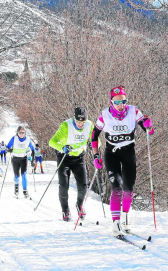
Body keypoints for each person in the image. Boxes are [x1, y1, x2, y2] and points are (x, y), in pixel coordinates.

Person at [91, 86, 154, 236]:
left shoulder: (134, 111)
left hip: (128, 153)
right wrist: (95, 156)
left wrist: (149, 125)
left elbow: (148, 132)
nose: (121, 105)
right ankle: (115, 223)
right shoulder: (104, 115)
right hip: (111, 154)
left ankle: (125, 216)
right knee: (117, 188)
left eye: (124, 101)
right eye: (117, 102)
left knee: (128, 189)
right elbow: (94, 136)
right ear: (111, 101)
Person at [49, 107, 95, 222]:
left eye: (82, 122)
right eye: (78, 122)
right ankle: (65, 209)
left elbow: (96, 140)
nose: (80, 124)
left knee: (83, 186)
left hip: (79, 157)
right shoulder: (66, 125)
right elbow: (52, 142)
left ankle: (79, 205)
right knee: (64, 185)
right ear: (74, 118)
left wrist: (94, 145)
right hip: (64, 157)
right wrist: (62, 147)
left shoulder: (90, 125)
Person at [6, 126, 35, 198]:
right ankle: (16, 189)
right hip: (15, 159)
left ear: (25, 133)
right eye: (20, 133)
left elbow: (33, 150)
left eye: (23, 133)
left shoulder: (28, 139)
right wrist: (9, 150)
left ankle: (25, 191)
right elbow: (7, 147)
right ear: (17, 133)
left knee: (24, 175)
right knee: (16, 176)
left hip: (23, 159)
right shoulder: (14, 138)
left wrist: (32, 160)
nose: (21, 134)